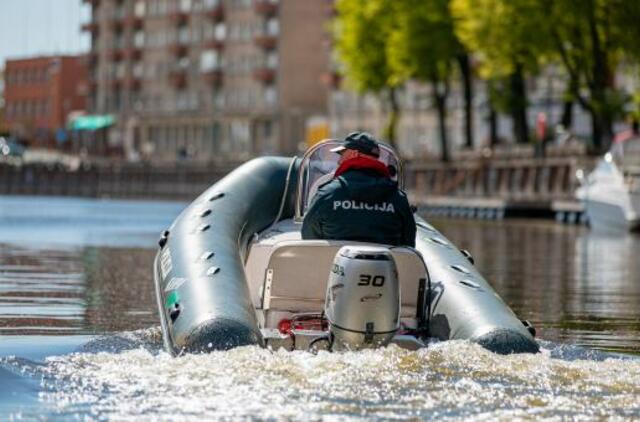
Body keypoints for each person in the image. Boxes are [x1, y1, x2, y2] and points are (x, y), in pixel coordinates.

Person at [301, 132, 416, 247]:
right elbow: (408, 242)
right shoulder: (398, 199)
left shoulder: (327, 194)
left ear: (353, 154)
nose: (339, 161)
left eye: (342, 154)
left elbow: (309, 236)